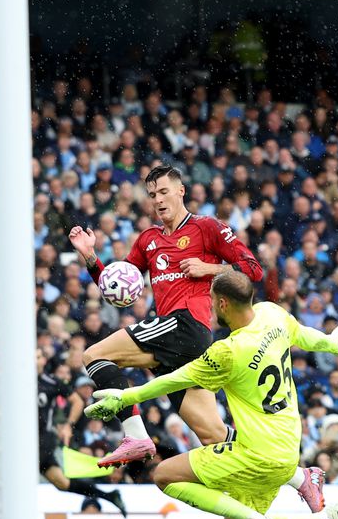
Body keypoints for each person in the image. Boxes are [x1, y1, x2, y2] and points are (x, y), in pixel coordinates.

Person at [84, 272, 338, 519]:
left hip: (256, 455)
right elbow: (303, 336)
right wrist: (332, 343)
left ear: (223, 303)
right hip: (288, 451)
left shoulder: (229, 350)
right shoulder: (272, 314)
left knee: (164, 475)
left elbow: (176, 379)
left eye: (211, 299)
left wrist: (126, 396)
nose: (209, 306)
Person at [68, 165, 269, 464]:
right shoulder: (148, 239)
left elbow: (254, 269)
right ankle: (296, 475)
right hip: (178, 344)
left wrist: (209, 268)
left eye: (164, 192)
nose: (158, 200)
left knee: (94, 356)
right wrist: (90, 257)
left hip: (186, 325)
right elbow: (116, 286)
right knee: (213, 434)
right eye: (152, 195)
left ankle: (136, 436)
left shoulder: (207, 227)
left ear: (181, 191)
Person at [37, 352, 126, 515]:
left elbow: (77, 401)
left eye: (38, 357)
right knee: (62, 483)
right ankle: (110, 496)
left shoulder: (51, 382)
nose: (35, 361)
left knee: (18, 477)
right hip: (27, 442)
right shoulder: (18, 383)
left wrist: (68, 425)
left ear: (44, 361)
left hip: (41, 441)